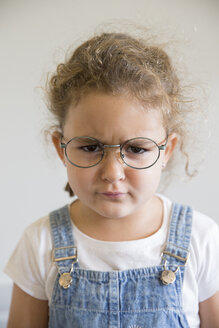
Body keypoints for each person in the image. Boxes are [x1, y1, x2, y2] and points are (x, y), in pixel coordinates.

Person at [4, 31, 219, 328]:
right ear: (61, 148)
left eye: (136, 149)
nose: (112, 173)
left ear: (167, 150)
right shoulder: (40, 244)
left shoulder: (202, 239)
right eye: (90, 147)